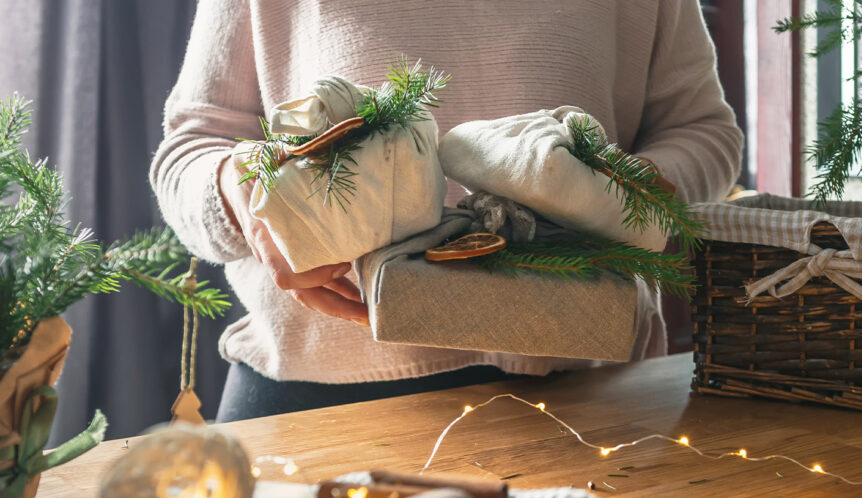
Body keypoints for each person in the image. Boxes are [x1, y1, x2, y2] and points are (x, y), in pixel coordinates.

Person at [150, 0, 744, 422]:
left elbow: (703, 130)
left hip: (591, 386)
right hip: (317, 395)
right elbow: (191, 147)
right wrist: (249, 206)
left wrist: (625, 197)